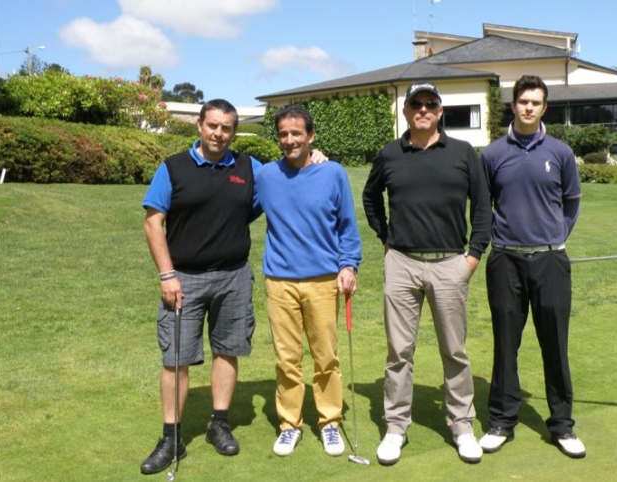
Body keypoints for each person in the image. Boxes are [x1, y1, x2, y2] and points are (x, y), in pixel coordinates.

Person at [362, 81, 492, 465]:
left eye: (430, 104)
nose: (422, 109)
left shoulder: (463, 153)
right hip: (402, 262)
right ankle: (396, 426)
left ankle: (462, 425)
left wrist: (473, 255)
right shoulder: (389, 154)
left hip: (451, 262)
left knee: (454, 350)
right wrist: (386, 238)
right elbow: (370, 198)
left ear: (439, 111)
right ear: (405, 112)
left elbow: (482, 206)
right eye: (415, 104)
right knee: (399, 351)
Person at [139, 99, 261, 475]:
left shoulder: (248, 167)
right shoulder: (172, 167)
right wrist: (166, 274)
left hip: (234, 276)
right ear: (199, 125)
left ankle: (218, 424)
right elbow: (153, 222)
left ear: (234, 131)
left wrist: (316, 156)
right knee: (176, 358)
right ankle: (171, 437)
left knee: (228, 350)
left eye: (226, 128)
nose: (218, 134)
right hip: (183, 279)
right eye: (212, 126)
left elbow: (281, 184)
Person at [477, 75, 585, 458]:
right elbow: (482, 207)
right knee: (506, 344)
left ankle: (562, 425)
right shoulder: (491, 155)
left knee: (555, 344)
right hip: (505, 260)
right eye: (523, 101)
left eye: (535, 103)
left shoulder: (560, 153)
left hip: (551, 260)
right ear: (513, 105)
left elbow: (571, 202)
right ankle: (502, 421)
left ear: (544, 108)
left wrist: (556, 234)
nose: (528, 108)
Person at [253, 105, 362, 457]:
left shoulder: (333, 173)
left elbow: (347, 224)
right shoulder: (265, 175)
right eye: (283, 134)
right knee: (286, 359)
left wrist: (349, 265)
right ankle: (289, 424)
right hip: (280, 282)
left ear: (311, 136)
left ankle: (330, 422)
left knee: (325, 357)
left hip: (324, 280)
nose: (289, 140)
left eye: (296, 133)